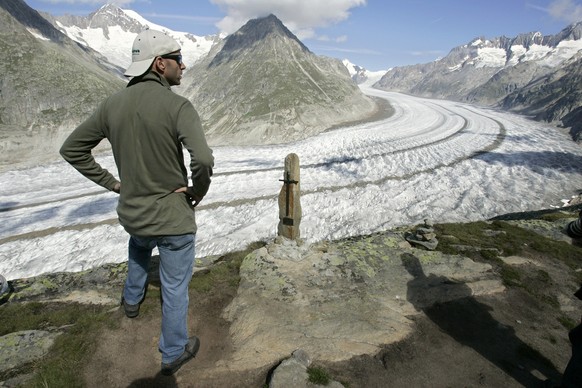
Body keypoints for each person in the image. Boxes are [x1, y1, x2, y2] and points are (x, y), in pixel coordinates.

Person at [60, 29, 214, 376]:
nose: (183, 65)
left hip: (133, 211)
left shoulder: (112, 104)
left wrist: (115, 184)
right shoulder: (177, 106)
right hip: (172, 217)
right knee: (174, 286)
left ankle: (131, 302)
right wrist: (197, 192)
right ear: (160, 64)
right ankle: (173, 350)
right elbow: (202, 158)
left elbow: (71, 149)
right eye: (177, 59)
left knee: (140, 246)